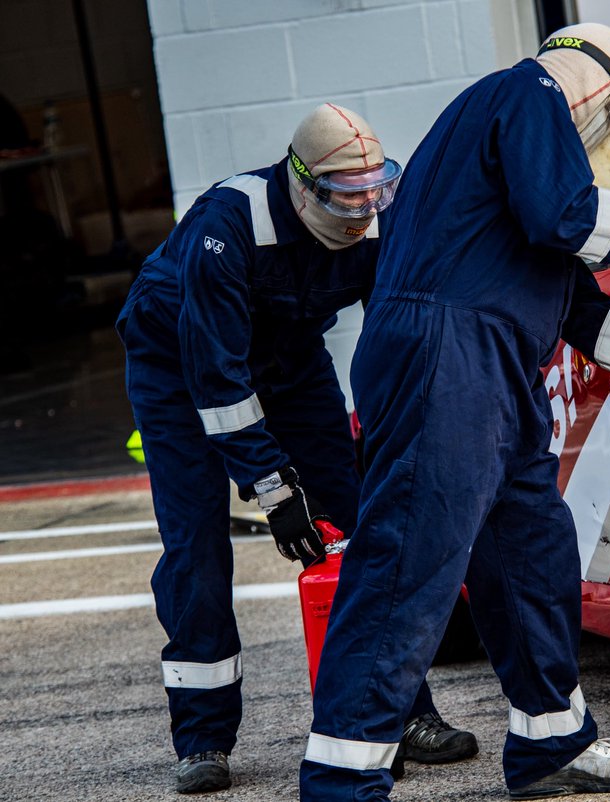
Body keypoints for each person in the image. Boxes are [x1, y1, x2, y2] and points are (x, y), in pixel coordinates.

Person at [300, 23, 610, 801]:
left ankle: (551, 742)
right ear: (600, 83)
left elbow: (575, 307)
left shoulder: (485, 146)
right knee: (408, 567)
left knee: (531, 557)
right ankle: (340, 782)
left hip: (481, 364)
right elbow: (565, 219)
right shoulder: (529, 92)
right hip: (451, 361)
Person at [116, 103, 477, 795]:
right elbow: (217, 379)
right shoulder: (227, 227)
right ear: (304, 185)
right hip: (178, 364)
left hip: (289, 355)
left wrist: (390, 434)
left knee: (361, 522)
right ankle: (202, 739)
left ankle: (404, 714)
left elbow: (393, 336)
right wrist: (273, 491)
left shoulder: (376, 222)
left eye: (376, 193)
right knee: (196, 547)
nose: (362, 212)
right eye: (346, 197)